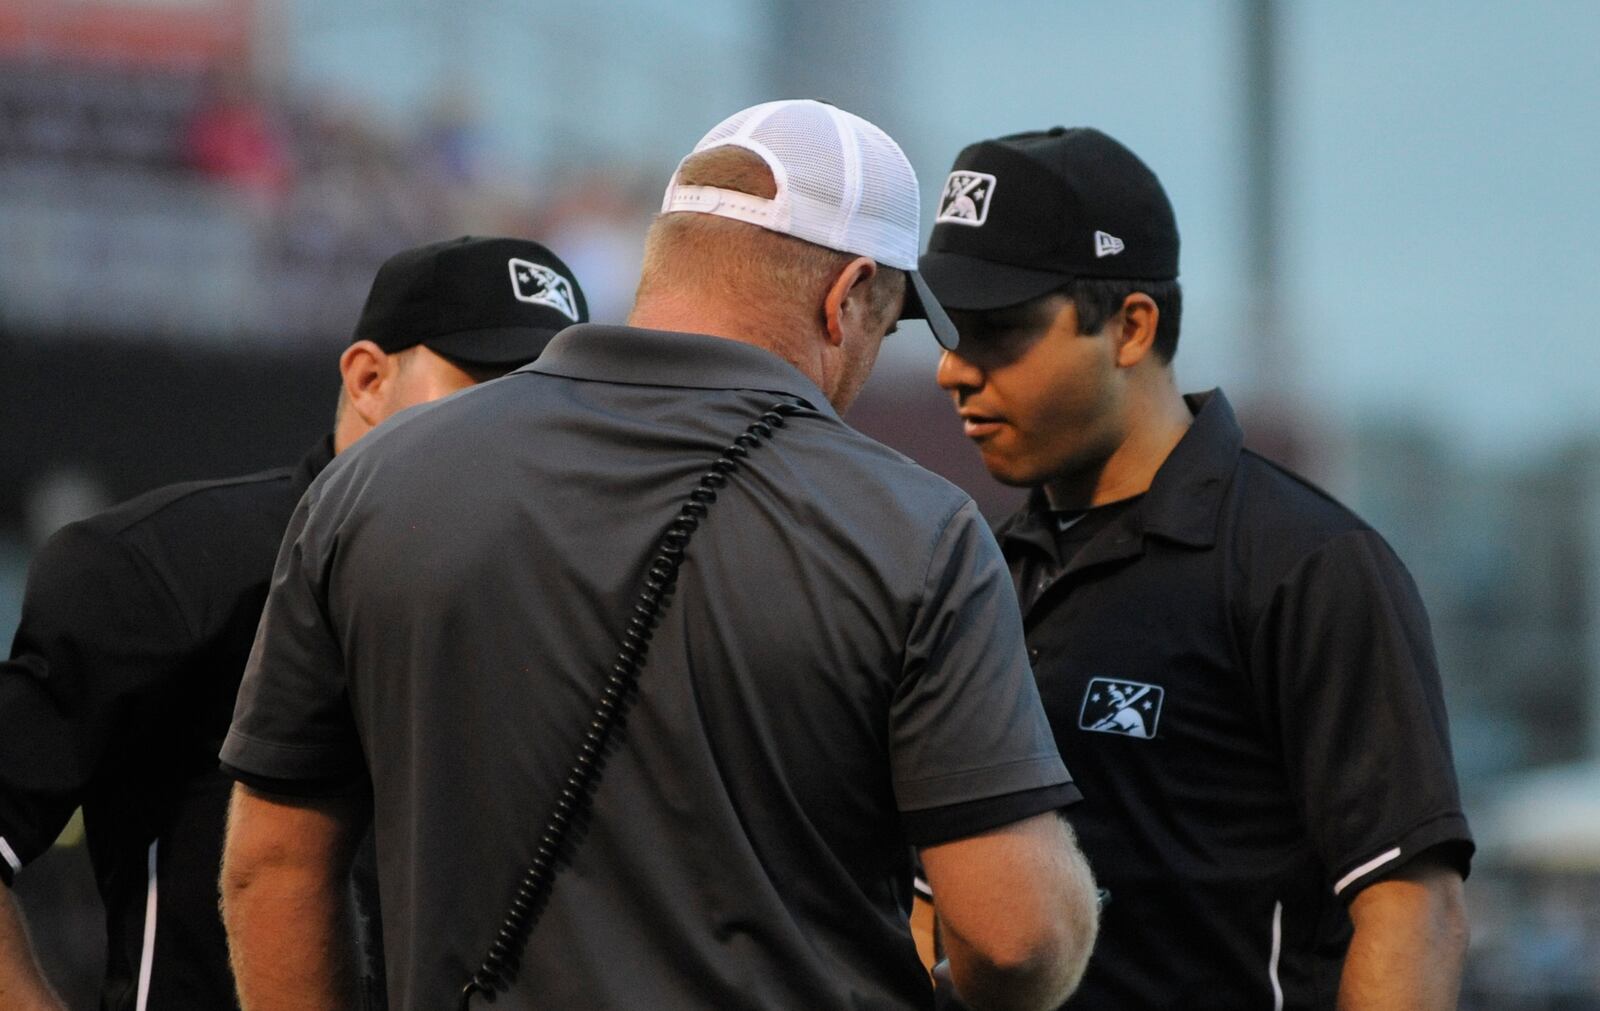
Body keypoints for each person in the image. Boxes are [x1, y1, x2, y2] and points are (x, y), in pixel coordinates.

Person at [218, 99, 1100, 1011]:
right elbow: (1016, 936)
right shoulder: (915, 528)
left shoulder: (370, 485)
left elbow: (270, 870)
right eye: (886, 322)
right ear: (845, 301)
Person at [915, 126, 1473, 1009]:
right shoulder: (972, 563)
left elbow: (1412, 908)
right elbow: (937, 900)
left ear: (1131, 326)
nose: (952, 368)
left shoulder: (1305, 564)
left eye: (997, 330)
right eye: (950, 329)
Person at [0, 235, 589, 1011]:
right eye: (488, 389)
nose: (520, 432)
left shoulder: (570, 604)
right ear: (369, 378)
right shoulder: (174, 566)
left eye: (552, 403)